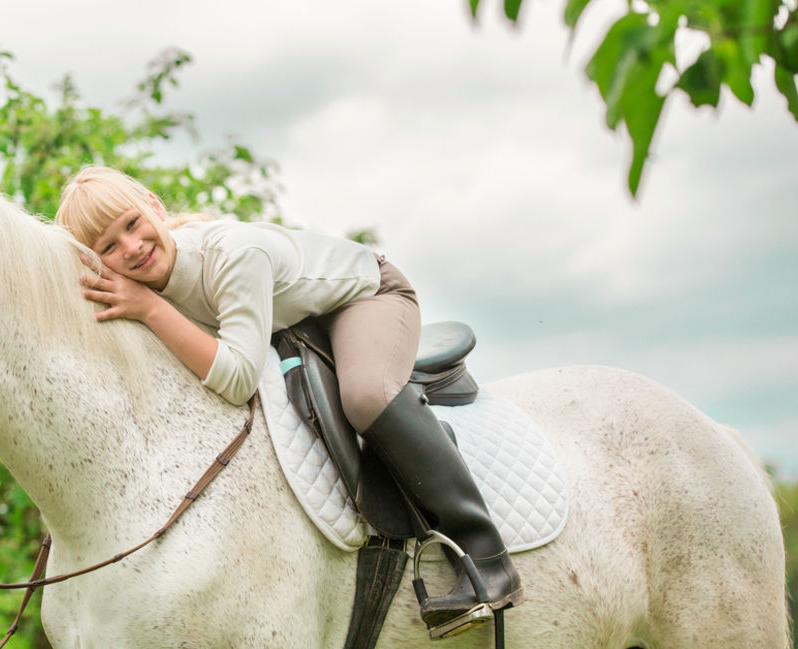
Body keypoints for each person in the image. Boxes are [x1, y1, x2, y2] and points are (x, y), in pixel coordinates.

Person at [55, 166, 524, 632]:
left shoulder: (232, 256)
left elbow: (237, 377)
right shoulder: (146, 285)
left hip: (366, 295)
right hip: (297, 319)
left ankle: (486, 556)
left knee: (365, 396)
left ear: (154, 207)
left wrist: (152, 310)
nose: (131, 248)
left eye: (133, 224)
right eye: (109, 247)